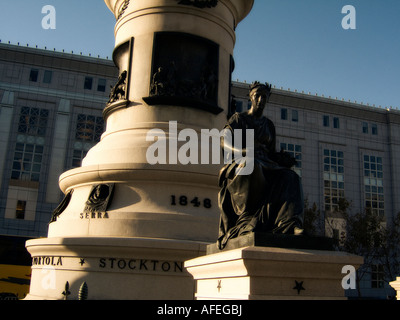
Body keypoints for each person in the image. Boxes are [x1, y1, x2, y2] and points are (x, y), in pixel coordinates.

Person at [218, 82, 304, 249]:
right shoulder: (239, 119)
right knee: (253, 166)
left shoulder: (269, 125)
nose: (260, 99)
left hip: (267, 164)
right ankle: (248, 221)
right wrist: (243, 150)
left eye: (264, 96)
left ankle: (290, 224)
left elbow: (271, 154)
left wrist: (283, 159)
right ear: (251, 97)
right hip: (241, 163)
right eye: (257, 95)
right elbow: (224, 141)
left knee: (291, 177)